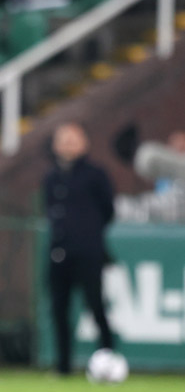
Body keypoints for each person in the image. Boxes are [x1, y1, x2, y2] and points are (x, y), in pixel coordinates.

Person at [44, 122, 116, 375]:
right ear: (55, 145)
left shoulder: (96, 174)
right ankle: (63, 366)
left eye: (73, 140)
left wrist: (88, 233)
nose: (68, 145)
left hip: (88, 251)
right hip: (59, 251)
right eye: (63, 140)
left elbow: (108, 210)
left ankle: (108, 358)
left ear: (84, 143)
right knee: (59, 310)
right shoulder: (51, 177)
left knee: (96, 305)